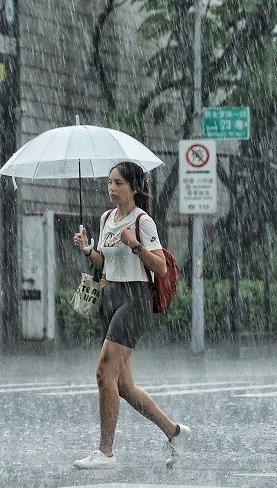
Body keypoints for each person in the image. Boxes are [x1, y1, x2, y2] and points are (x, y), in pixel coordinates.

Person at [71, 161, 190, 469]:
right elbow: (104, 263)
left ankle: (106, 452)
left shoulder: (142, 221)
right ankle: (174, 432)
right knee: (123, 386)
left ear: (134, 187)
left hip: (134, 301)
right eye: (109, 182)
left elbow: (160, 266)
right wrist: (87, 250)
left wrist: (135, 245)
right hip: (110, 297)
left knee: (103, 373)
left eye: (118, 183)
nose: (111, 188)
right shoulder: (106, 218)